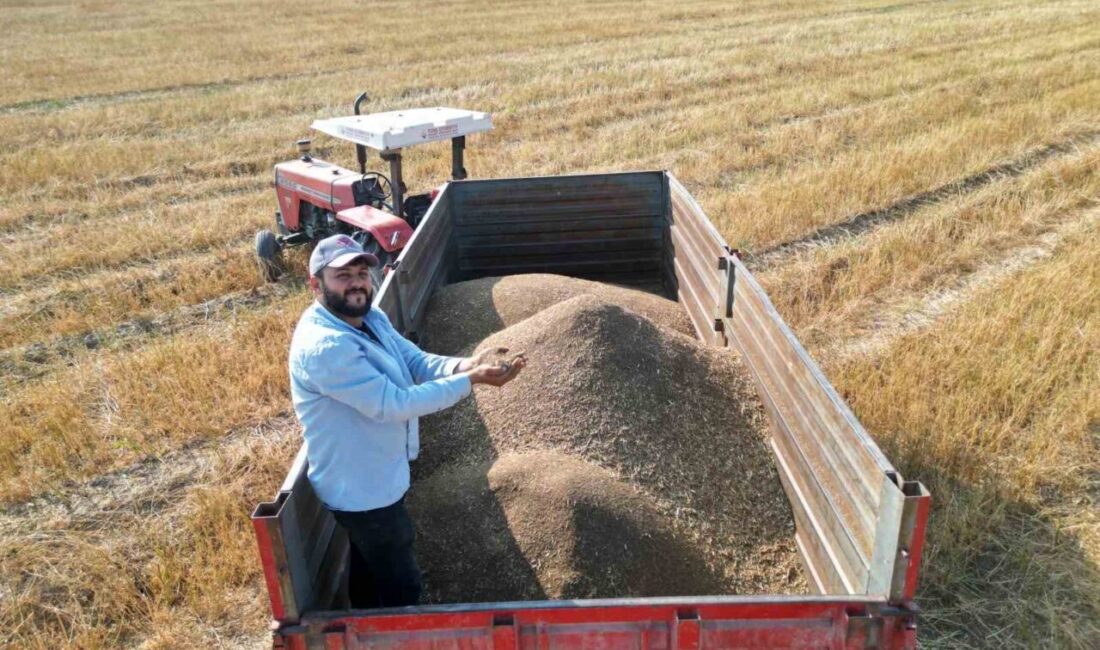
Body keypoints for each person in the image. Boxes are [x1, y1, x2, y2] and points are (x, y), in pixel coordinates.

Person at [288, 234, 525, 608]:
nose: (356, 283)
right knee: (401, 583)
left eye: (362, 272)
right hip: (361, 490)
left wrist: (468, 364)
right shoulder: (326, 347)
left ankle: (363, 626)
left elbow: (416, 362)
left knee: (370, 568)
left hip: (376, 473)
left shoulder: (369, 318)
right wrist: (472, 381)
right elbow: (393, 404)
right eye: (342, 275)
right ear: (315, 284)